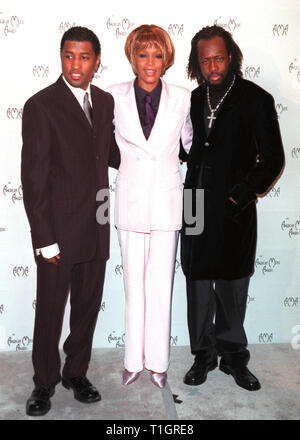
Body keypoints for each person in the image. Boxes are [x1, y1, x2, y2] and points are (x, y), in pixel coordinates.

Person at [21, 26, 120, 416]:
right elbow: (34, 176)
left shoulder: (107, 101)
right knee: (49, 310)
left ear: (97, 60)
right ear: (60, 57)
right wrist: (44, 238)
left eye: (83, 57)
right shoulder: (41, 105)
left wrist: (157, 153)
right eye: (68, 55)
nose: (75, 64)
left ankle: (76, 372)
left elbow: (112, 154)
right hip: (57, 234)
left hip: (97, 222)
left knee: (87, 307)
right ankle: (44, 381)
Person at [181, 25, 284, 391]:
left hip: (233, 205)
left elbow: (273, 159)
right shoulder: (192, 98)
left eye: (219, 57)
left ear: (232, 56)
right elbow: (187, 147)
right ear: (197, 62)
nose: (213, 65)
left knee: (231, 283)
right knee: (196, 282)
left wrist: (241, 195)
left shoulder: (255, 99)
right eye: (205, 59)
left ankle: (234, 358)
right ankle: (202, 355)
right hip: (193, 201)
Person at [107, 24, 192, 388]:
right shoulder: (110, 96)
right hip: (129, 199)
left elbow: (190, 145)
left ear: (166, 58)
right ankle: (132, 360)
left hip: (168, 200)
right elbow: (103, 146)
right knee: (133, 286)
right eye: (143, 55)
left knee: (161, 284)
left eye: (157, 55)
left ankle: (157, 362)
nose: (150, 63)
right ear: (132, 57)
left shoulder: (184, 97)